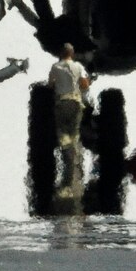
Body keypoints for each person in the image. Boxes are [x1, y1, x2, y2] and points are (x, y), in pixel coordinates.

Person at [48, 43, 90, 188]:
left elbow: (50, 85)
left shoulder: (56, 67)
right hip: (76, 103)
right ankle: (75, 167)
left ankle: (68, 166)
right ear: (72, 54)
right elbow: (85, 84)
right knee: (74, 134)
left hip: (62, 102)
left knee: (63, 134)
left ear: (61, 54)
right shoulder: (78, 66)